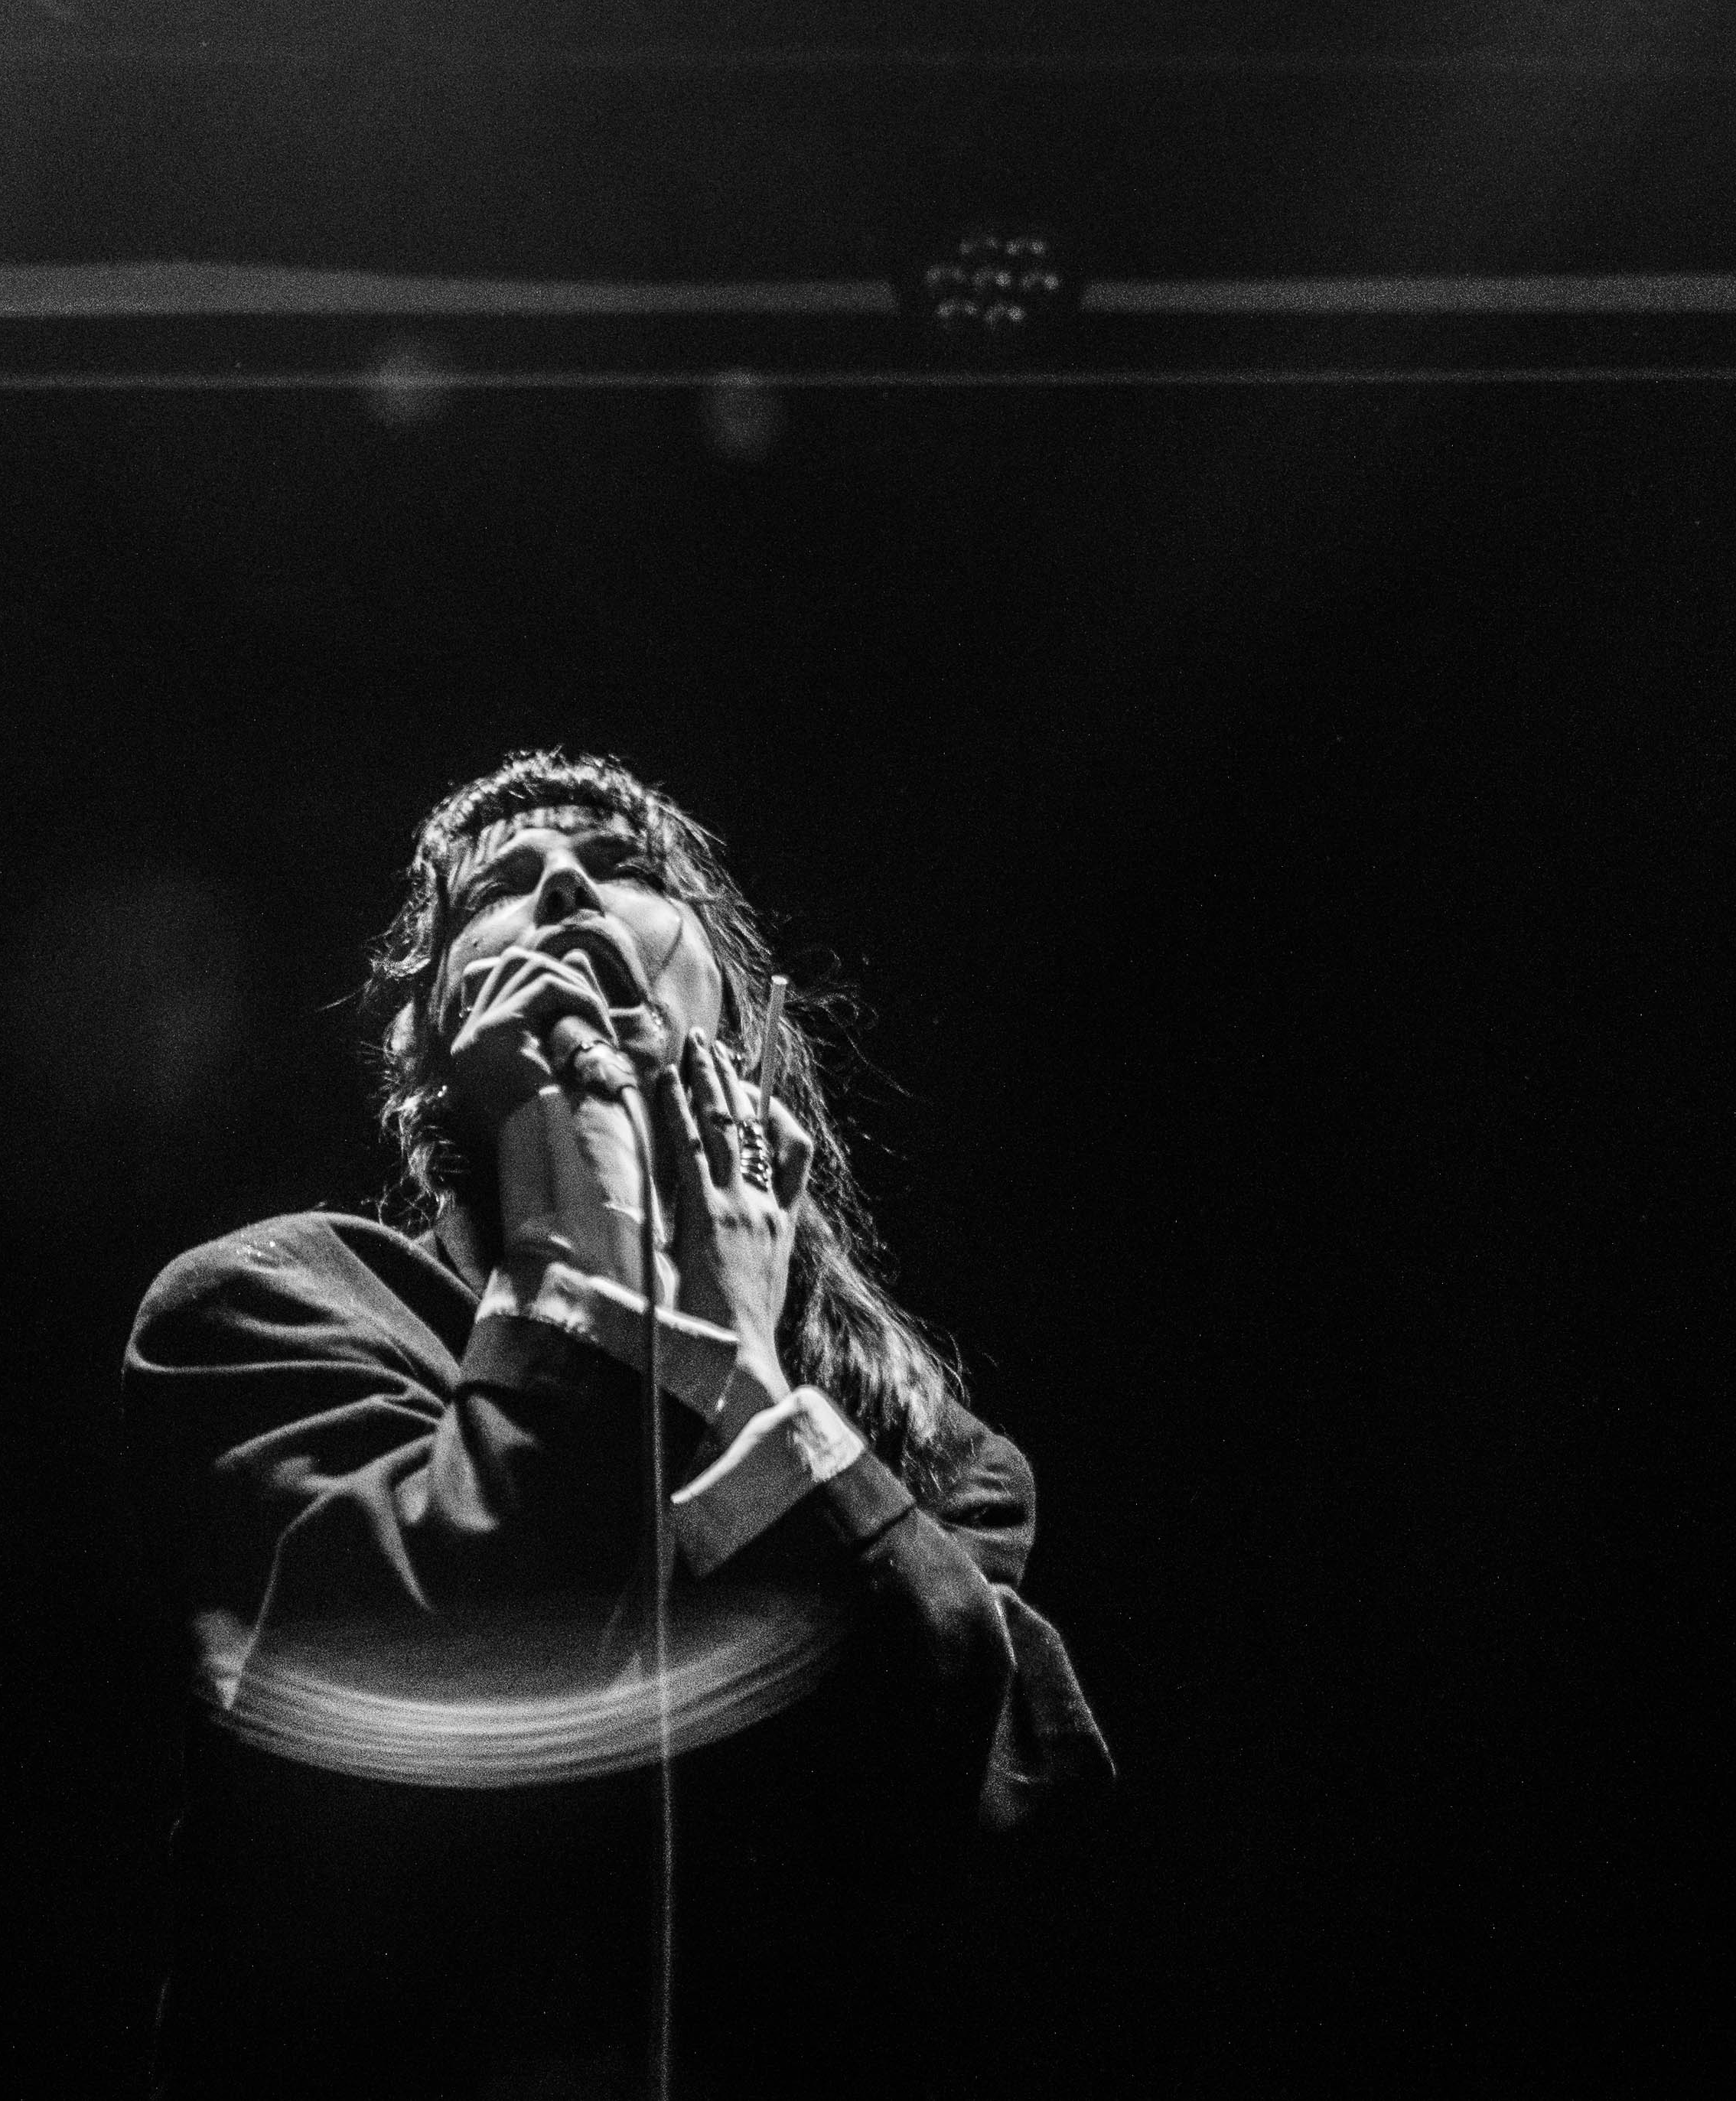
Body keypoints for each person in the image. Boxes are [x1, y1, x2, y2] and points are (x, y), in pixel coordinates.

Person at [122, 750, 1109, 2099]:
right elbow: (408, 1740)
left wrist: (738, 1372)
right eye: (501, 889)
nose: (565, 892)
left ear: (747, 1019)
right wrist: (578, 1262)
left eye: (624, 869)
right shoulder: (279, 1307)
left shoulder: (935, 1457)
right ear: (423, 1044)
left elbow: (1004, 1827)